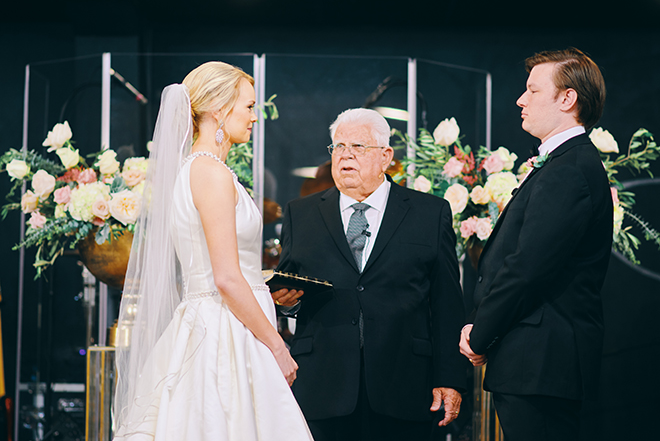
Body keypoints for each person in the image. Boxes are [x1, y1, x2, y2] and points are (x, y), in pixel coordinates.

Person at [112, 62, 313, 440]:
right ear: (220, 109)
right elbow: (225, 277)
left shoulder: (201, 170)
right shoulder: (210, 174)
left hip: (226, 320)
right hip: (225, 332)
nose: (255, 117)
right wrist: (277, 345)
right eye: (249, 107)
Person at [273, 108, 466, 441]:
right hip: (323, 386)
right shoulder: (299, 213)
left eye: (358, 147)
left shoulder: (429, 213)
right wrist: (286, 304)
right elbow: (289, 290)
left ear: (386, 156)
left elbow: (447, 303)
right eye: (338, 147)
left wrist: (449, 377)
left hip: (405, 384)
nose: (345, 155)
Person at [459, 48, 613, 441]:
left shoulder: (569, 170)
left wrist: (480, 334)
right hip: (537, 363)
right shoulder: (565, 164)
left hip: (543, 363)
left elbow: (528, 268)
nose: (520, 100)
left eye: (532, 90)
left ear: (567, 99)